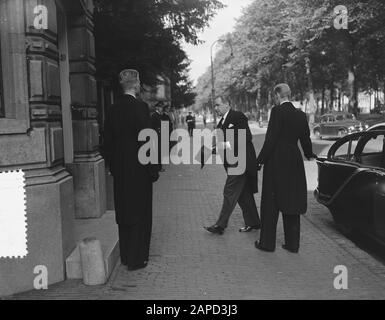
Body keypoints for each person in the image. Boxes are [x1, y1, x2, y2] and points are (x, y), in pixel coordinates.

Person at [103, 69, 159, 270]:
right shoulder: (140, 108)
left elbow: (106, 143)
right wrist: (153, 170)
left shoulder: (112, 109)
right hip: (139, 170)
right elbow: (148, 140)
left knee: (124, 211)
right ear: (136, 85)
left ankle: (126, 255)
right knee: (140, 213)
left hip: (120, 171)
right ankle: (137, 258)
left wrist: (113, 166)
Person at [255, 83, 317, 253]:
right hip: (294, 160)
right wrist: (309, 154)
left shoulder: (277, 112)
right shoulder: (300, 115)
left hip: (276, 160)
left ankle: (267, 244)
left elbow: (271, 139)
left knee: (271, 202)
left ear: (277, 96)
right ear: (289, 95)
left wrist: (259, 161)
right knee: (292, 200)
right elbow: (305, 139)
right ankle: (292, 244)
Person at [205, 96, 261, 235]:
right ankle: (254, 222)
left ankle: (220, 225)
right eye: (215, 106)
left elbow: (246, 136)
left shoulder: (238, 116)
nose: (216, 108)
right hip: (233, 163)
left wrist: (223, 145)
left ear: (227, 104)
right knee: (244, 194)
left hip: (240, 162)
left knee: (229, 192)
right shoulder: (222, 122)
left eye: (218, 105)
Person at [151, 102, 165, 172]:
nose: (161, 108)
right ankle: (158, 168)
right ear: (157, 108)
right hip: (156, 136)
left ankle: (159, 167)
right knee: (157, 152)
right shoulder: (154, 115)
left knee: (160, 152)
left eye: (162, 107)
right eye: (160, 107)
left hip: (160, 135)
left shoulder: (159, 115)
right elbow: (153, 126)